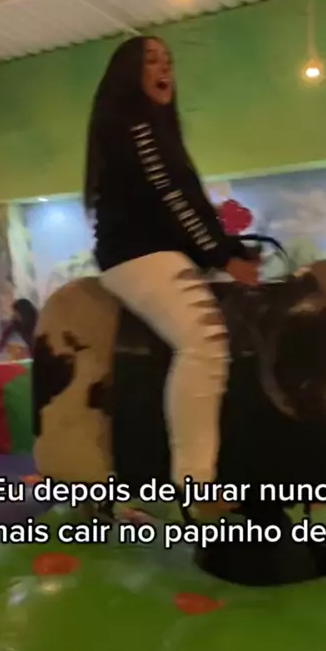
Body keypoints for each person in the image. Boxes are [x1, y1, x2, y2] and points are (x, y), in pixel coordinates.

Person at [84, 36, 259, 501]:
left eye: (168, 61)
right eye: (151, 60)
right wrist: (223, 255)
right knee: (205, 341)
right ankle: (195, 483)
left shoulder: (155, 128)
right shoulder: (134, 124)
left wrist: (229, 248)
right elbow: (171, 197)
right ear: (129, 73)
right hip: (137, 255)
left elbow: (187, 202)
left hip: (161, 250)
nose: (164, 68)